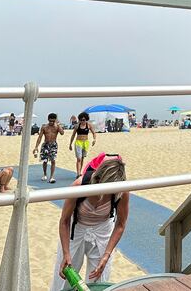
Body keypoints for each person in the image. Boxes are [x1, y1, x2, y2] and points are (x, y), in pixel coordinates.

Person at [51, 157, 130, 291]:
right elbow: (64, 221)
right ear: (98, 178)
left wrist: (107, 254)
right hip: (76, 228)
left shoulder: (121, 191)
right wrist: (66, 253)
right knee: (65, 275)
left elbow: (121, 224)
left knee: (98, 278)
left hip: (102, 229)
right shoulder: (79, 186)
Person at [34, 113, 65, 183]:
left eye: (53, 121)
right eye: (50, 121)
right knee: (45, 161)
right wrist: (36, 147)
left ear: (55, 120)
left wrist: (58, 124)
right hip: (45, 144)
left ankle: (51, 177)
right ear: (48, 119)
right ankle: (45, 174)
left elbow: (62, 133)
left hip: (53, 144)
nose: (51, 122)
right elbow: (40, 137)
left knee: (53, 160)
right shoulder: (44, 127)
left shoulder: (57, 126)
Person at [69, 112, 96, 177]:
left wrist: (94, 139)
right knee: (79, 158)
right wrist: (70, 144)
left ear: (86, 119)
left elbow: (94, 133)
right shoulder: (77, 126)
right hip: (78, 142)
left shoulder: (89, 125)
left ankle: (80, 172)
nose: (82, 121)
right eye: (81, 120)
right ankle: (78, 174)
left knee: (83, 158)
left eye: (83, 120)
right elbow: (73, 135)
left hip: (85, 143)